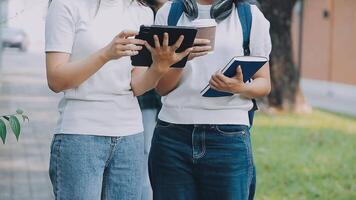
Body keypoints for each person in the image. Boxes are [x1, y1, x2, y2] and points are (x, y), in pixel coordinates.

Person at [45, 0, 191, 199]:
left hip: (130, 137)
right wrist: (106, 54)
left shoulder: (142, 12)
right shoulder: (66, 5)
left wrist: (161, 66)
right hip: (80, 136)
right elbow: (56, 79)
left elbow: (137, 85)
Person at [148, 0, 272, 199]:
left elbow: (264, 83)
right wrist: (181, 59)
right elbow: (161, 88)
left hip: (228, 138)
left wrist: (239, 87)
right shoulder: (169, 13)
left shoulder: (250, 16)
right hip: (172, 137)